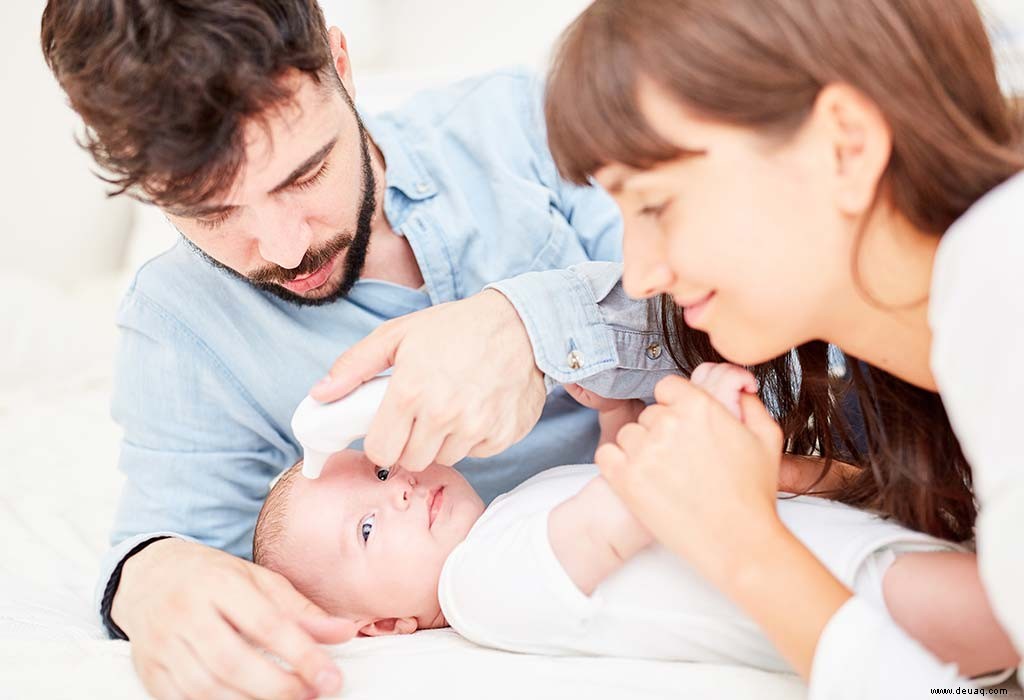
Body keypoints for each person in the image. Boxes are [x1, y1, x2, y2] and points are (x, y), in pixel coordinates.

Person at [312, 0, 1024, 695]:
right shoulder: (950, 340)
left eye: (654, 205)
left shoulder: (1000, 284)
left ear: (846, 145)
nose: (641, 271)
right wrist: (808, 480)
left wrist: (741, 540)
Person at [39, 2, 644, 698]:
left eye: (302, 175)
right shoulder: (182, 326)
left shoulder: (518, 126)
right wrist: (149, 581)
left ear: (342, 68)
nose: (286, 250)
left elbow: (734, 314)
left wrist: (534, 326)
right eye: (211, 212)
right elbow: (168, 537)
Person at [251, 368, 1016, 680]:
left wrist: (616, 417)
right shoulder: (477, 588)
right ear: (385, 626)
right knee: (996, 619)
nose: (404, 492)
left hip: (831, 543)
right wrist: (695, 417)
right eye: (368, 531)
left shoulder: (511, 514)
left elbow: (599, 503)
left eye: (382, 472)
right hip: (843, 593)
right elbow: (619, 516)